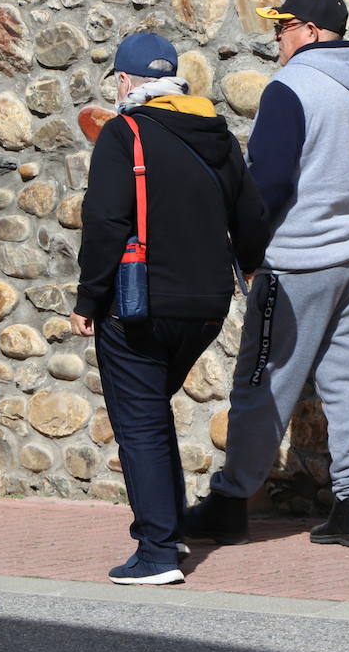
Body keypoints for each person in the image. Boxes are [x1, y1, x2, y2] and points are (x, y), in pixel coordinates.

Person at [186, 0, 349, 549]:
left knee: (263, 380)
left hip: (300, 260)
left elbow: (267, 185)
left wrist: (247, 253)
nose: (276, 36)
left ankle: (230, 503)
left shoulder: (291, 88)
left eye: (285, 26)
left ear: (312, 32)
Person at [72, 32, 269, 585]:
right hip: (206, 306)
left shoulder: (123, 133)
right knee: (150, 414)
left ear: (126, 81)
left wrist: (88, 298)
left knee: (139, 424)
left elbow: (106, 223)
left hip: (137, 304)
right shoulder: (218, 135)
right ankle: (172, 529)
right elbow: (250, 215)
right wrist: (250, 264)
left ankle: (157, 551)